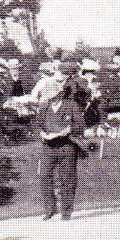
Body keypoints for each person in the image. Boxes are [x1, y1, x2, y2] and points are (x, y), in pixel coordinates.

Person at [36, 82, 85, 221]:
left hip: (66, 146)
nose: (52, 99)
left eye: (54, 96)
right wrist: (42, 134)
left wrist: (69, 130)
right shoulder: (44, 108)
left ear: (60, 94)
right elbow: (38, 125)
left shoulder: (71, 106)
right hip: (49, 146)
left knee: (67, 178)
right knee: (44, 176)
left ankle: (66, 211)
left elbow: (81, 125)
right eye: (49, 97)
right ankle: (50, 209)